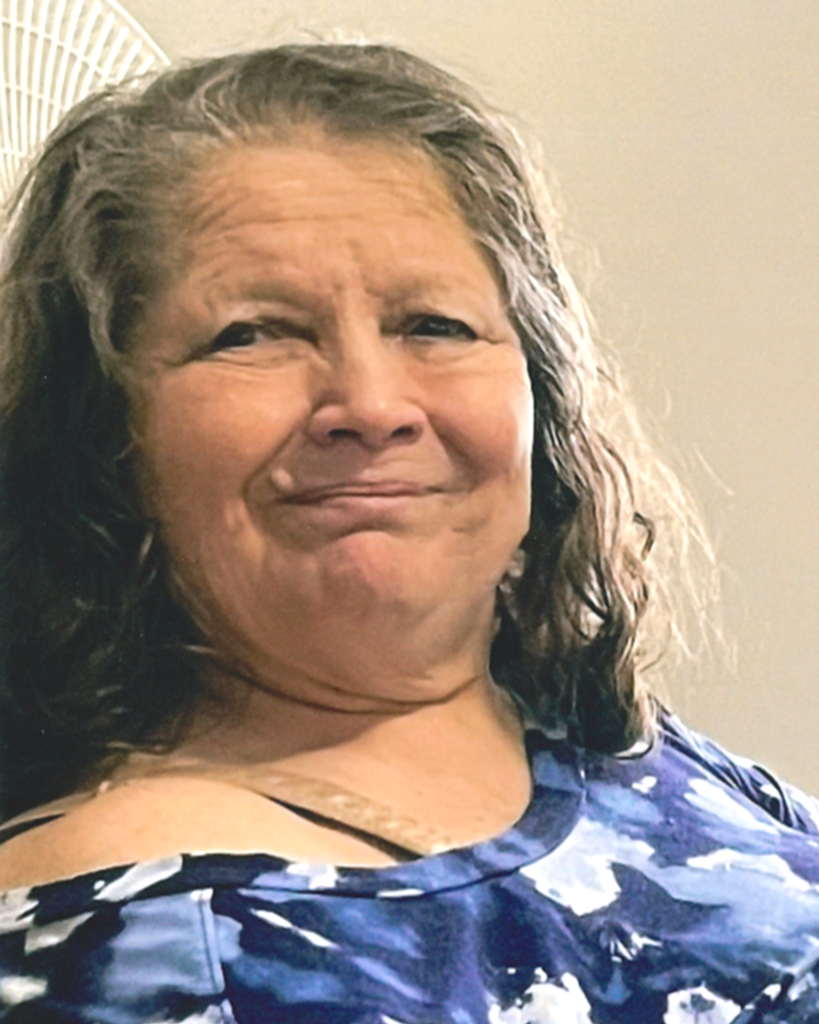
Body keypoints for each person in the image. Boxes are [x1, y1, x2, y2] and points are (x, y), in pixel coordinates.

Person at [0, 42, 817, 1024]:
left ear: (540, 395)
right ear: (104, 433)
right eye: (252, 333)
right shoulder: (134, 943)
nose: (371, 405)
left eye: (434, 325)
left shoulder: (609, 743)